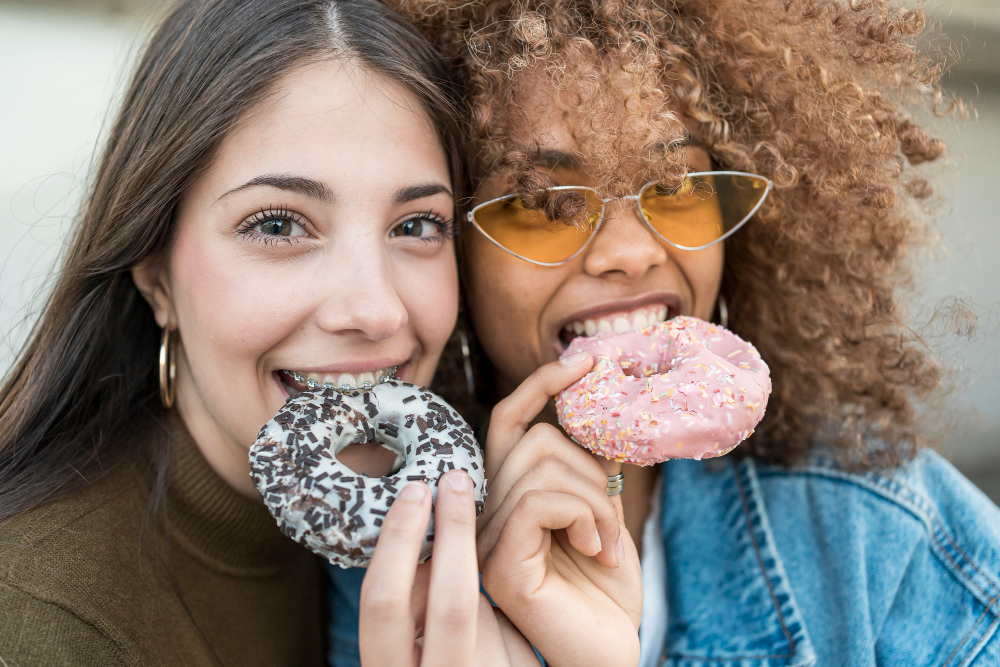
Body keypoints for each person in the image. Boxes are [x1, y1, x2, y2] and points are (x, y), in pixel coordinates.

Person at [338, 1, 998, 665]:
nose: (628, 251)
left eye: (677, 184)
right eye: (543, 202)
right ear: (446, 239)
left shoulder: (881, 533)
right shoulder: (368, 566)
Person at [0, 0, 533, 664]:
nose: (376, 311)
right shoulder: (43, 621)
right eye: (279, 225)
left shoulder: (488, 545)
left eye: (416, 225)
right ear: (156, 272)